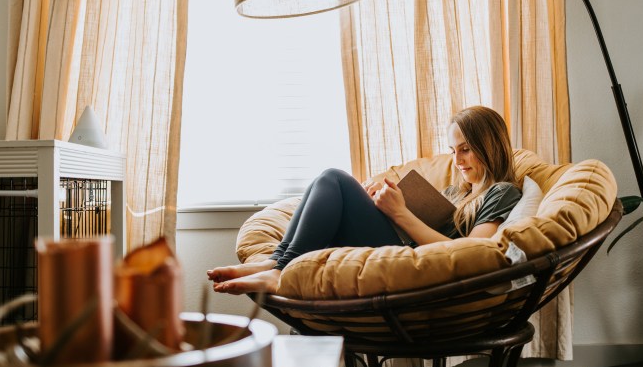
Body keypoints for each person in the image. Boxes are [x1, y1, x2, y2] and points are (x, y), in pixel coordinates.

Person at [207, 105, 522, 295]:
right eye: (454, 151)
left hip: (412, 259)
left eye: (465, 149)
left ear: (490, 144)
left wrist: (399, 213)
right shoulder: (461, 191)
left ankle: (281, 269)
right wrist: (381, 203)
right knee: (325, 183)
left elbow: (474, 253)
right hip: (398, 240)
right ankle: (276, 260)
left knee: (335, 179)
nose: (458, 160)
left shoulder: (502, 192)